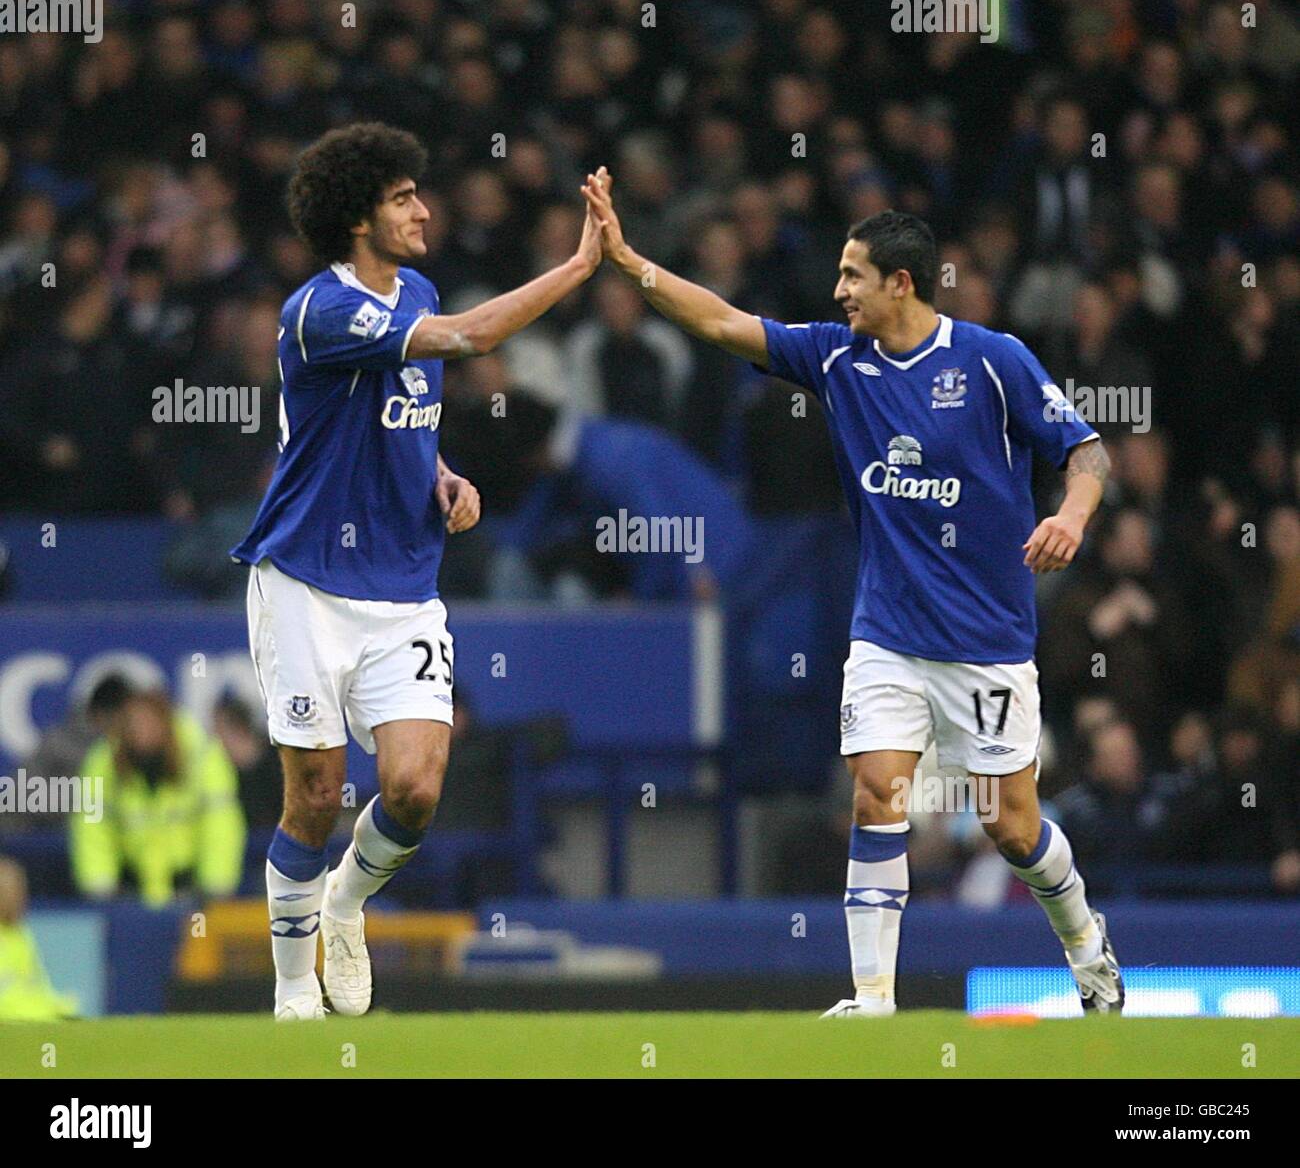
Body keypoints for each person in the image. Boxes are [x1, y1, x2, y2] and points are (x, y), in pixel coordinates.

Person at [582, 172, 1125, 1016]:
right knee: (877, 792)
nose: (837, 292)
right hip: (886, 633)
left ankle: (1088, 947)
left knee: (1011, 827)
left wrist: (1073, 516)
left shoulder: (992, 362)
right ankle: (872, 996)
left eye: (851, 276)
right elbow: (725, 323)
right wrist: (628, 261)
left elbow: (1087, 453)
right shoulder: (837, 358)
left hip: (986, 638)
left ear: (899, 283)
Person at [229, 123, 604, 1020]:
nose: (423, 209)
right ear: (359, 216)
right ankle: (291, 994)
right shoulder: (318, 311)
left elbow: (408, 412)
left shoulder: (416, 290)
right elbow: (472, 339)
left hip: (402, 585)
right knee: (316, 795)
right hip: (305, 581)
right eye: (403, 198)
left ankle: (347, 905)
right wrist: (578, 266)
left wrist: (438, 473)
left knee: (415, 788)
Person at [70, 689, 245, 908]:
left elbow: (221, 826)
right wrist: (99, 887)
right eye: (133, 723)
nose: (139, 730)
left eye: (147, 722)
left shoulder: (202, 756)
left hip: (192, 894)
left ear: (165, 722)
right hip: (128, 896)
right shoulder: (104, 762)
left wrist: (216, 886)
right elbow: (92, 827)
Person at [0, 857, 78, 1021]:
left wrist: (57, 1008)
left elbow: (37, 987)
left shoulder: (20, 934)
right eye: (10, 891)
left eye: (21, 891)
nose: (20, 899)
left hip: (36, 1016)